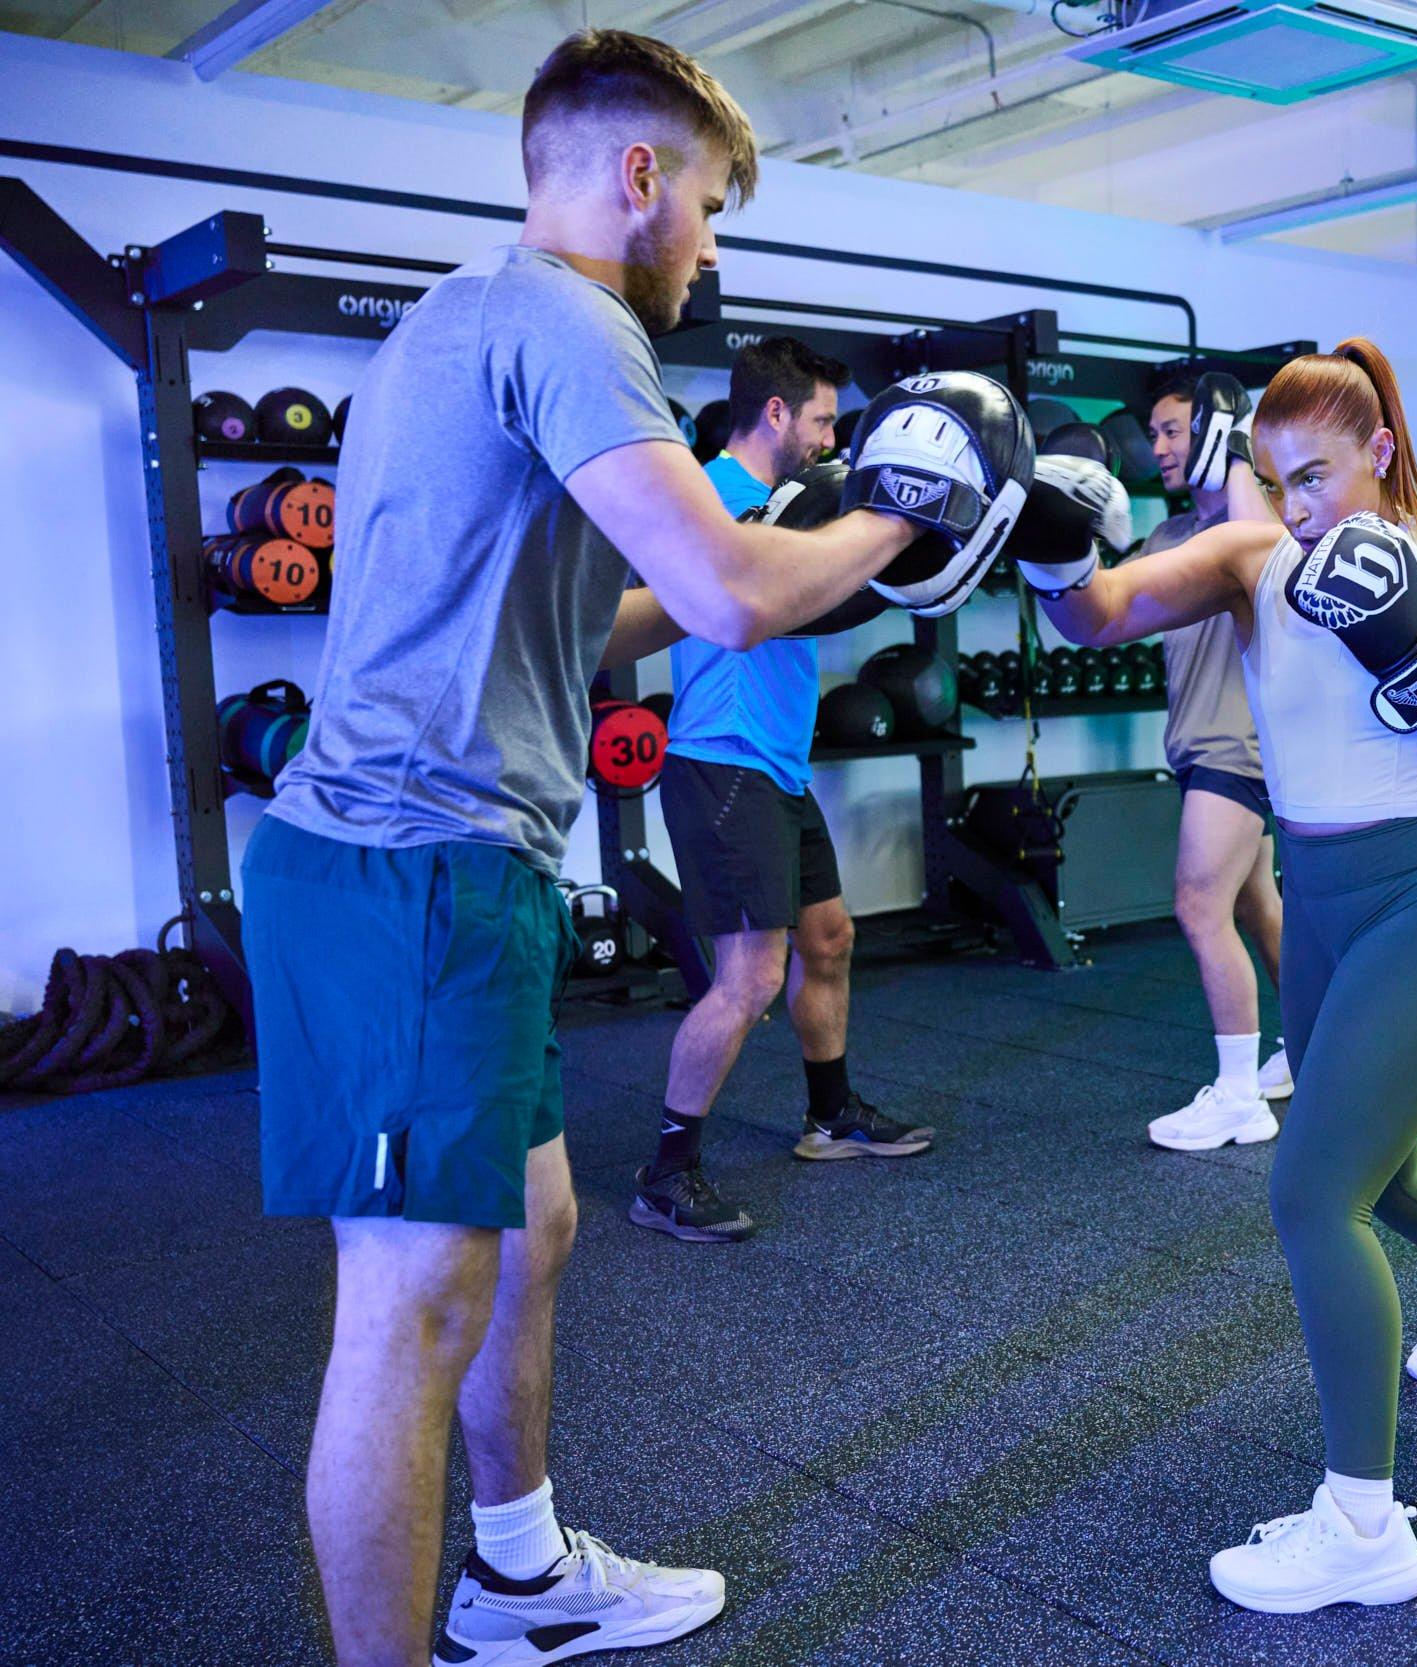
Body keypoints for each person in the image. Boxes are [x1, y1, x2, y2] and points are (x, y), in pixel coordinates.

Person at [240, 32, 1027, 1665]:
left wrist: (836, 554)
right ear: (640, 175)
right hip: (411, 867)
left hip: (464, 868)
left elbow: (603, 617)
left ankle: (522, 1576)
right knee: (406, 1312)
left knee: (534, 1227)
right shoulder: (571, 319)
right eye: (714, 205)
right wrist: (904, 512)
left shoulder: (459, 320)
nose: (713, 250)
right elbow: (734, 593)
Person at [1008, 337, 1417, 1612]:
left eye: (1317, 475)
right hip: (1320, 901)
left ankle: (1364, 1526)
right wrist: (1049, 539)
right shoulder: (1252, 562)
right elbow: (1097, 613)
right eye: (1276, 477)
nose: (1297, 505)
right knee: (1368, 1153)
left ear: (1380, 450)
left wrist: (1411, 651)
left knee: (1311, 1193)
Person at [635, 335, 933, 1247]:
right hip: (722, 758)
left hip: (778, 763)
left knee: (829, 937)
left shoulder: (797, 506)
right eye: (821, 421)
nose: (830, 439)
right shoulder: (711, 499)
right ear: (775, 413)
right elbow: (765, 592)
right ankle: (666, 1171)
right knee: (751, 976)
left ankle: (829, 1115)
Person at [1133, 372, 1292, 1151]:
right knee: (1259, 906)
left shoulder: (1262, 519)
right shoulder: (1166, 537)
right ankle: (1316, 1049)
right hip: (1197, 747)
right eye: (1153, 434)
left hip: (1241, 750)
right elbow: (1107, 610)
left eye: (1174, 431)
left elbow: (1269, 555)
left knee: (1199, 904)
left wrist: (1234, 455)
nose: (1159, 447)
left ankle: (1238, 1096)